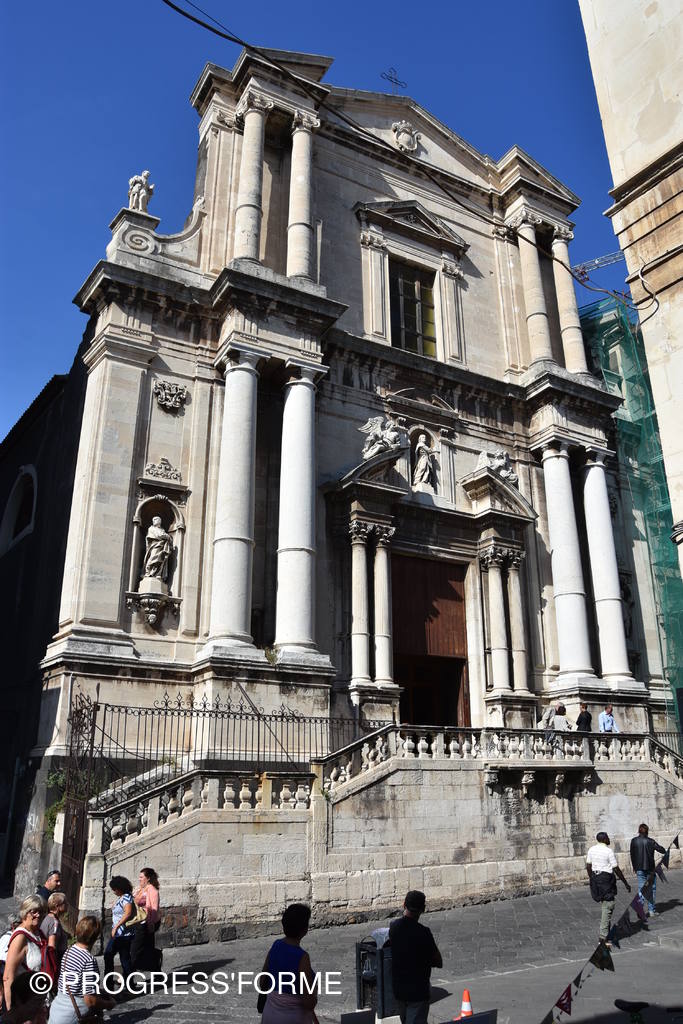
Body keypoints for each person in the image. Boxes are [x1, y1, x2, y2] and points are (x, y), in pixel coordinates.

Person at [48, 916, 115, 1024]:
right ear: (96, 936)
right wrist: (109, 1004)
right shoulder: (88, 960)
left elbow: (74, 985)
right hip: (72, 1015)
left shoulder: (69, 952)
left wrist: (100, 991)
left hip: (58, 1009)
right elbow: (90, 1000)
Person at [389, 890, 442, 1024]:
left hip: (399, 990)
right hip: (418, 991)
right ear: (423, 909)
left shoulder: (394, 927)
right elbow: (438, 961)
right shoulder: (424, 933)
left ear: (404, 905)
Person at [260, 903, 317, 1024]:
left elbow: (263, 980)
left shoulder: (276, 945)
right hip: (293, 1018)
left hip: (270, 1015)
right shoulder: (302, 957)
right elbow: (308, 1002)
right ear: (304, 929)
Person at [2, 897, 47, 1013]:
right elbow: (8, 977)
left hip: (37, 998)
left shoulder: (38, 933)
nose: (38, 915)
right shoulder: (20, 938)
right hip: (22, 1001)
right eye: (34, 911)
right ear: (25, 912)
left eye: (41, 911)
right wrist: (12, 1011)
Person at [586, 833, 631, 945]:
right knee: (608, 905)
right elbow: (616, 869)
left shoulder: (591, 849)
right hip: (606, 880)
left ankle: (606, 934)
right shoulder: (608, 851)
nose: (609, 839)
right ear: (604, 839)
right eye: (607, 837)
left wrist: (592, 879)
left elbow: (588, 866)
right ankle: (602, 938)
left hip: (595, 878)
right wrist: (625, 883)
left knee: (605, 905)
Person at [630, 823, 667, 917]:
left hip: (639, 868)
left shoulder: (634, 841)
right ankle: (651, 910)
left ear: (639, 831)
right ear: (647, 831)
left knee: (641, 889)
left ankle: (640, 908)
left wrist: (634, 867)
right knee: (652, 889)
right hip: (650, 869)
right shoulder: (651, 841)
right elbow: (662, 850)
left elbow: (632, 855)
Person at [130, 868, 162, 972]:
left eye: (141, 877)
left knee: (135, 949)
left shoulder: (152, 890)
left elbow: (154, 909)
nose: (139, 879)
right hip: (138, 921)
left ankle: (127, 974)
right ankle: (157, 967)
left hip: (147, 922)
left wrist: (150, 924)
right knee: (147, 948)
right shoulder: (140, 889)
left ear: (147, 878)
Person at [104, 876, 135, 979]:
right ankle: (128, 982)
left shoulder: (126, 897)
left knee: (111, 955)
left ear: (120, 888)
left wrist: (116, 926)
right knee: (123, 958)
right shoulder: (122, 897)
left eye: (114, 889)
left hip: (123, 933)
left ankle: (112, 982)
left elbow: (128, 913)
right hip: (119, 933)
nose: (113, 892)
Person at [40, 893, 68, 986]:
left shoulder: (47, 918)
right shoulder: (54, 922)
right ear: (57, 906)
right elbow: (52, 948)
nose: (67, 905)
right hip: (54, 963)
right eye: (65, 903)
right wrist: (55, 969)